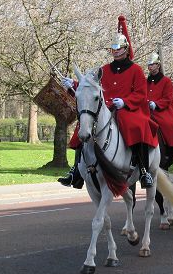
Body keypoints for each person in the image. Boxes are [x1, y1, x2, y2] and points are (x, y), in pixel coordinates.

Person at [58, 30, 158, 189]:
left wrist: (125, 102)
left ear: (126, 49)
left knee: (137, 126)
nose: (116, 51)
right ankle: (76, 170)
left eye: (119, 48)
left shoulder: (136, 70)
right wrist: (74, 84)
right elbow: (90, 88)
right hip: (106, 107)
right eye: (113, 48)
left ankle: (144, 170)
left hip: (127, 109)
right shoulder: (103, 69)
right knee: (83, 126)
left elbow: (141, 94)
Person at [146, 52, 173, 176]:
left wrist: (156, 104)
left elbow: (167, 98)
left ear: (158, 65)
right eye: (149, 65)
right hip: (148, 112)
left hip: (164, 111)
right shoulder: (146, 82)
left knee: (170, 125)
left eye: (152, 64)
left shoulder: (166, 81)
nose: (150, 67)